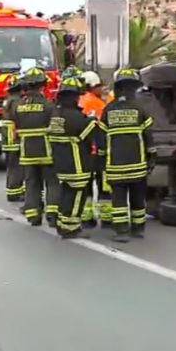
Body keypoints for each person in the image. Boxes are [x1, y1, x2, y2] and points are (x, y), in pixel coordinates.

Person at [96, 68, 155, 243]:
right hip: (138, 164)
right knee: (138, 198)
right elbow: (149, 136)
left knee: (119, 200)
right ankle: (138, 228)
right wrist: (152, 157)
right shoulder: (140, 109)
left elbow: (101, 138)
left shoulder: (108, 109)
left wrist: (101, 159)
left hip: (115, 166)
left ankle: (121, 231)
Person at [48, 77, 97, 239]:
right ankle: (71, 228)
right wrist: (92, 121)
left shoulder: (55, 115)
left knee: (66, 193)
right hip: (77, 164)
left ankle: (62, 223)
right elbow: (88, 136)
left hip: (60, 163)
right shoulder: (77, 117)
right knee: (77, 196)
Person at [10, 67, 59, 227]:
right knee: (52, 182)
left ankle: (33, 215)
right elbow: (56, 128)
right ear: (43, 85)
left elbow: (14, 129)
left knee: (32, 183)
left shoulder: (17, 106)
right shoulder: (49, 105)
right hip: (47, 151)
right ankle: (52, 215)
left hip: (27, 152)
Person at [79, 71, 113, 229]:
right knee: (104, 185)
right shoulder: (96, 103)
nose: (101, 88)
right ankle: (107, 218)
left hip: (85, 151)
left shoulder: (81, 101)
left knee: (86, 185)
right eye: (98, 85)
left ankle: (86, 218)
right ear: (91, 86)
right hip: (99, 151)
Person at [1, 74, 25, 202]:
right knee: (17, 166)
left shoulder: (9, 99)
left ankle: (13, 191)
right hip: (14, 138)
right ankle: (15, 192)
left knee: (12, 166)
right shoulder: (16, 101)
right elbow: (19, 117)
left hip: (8, 137)